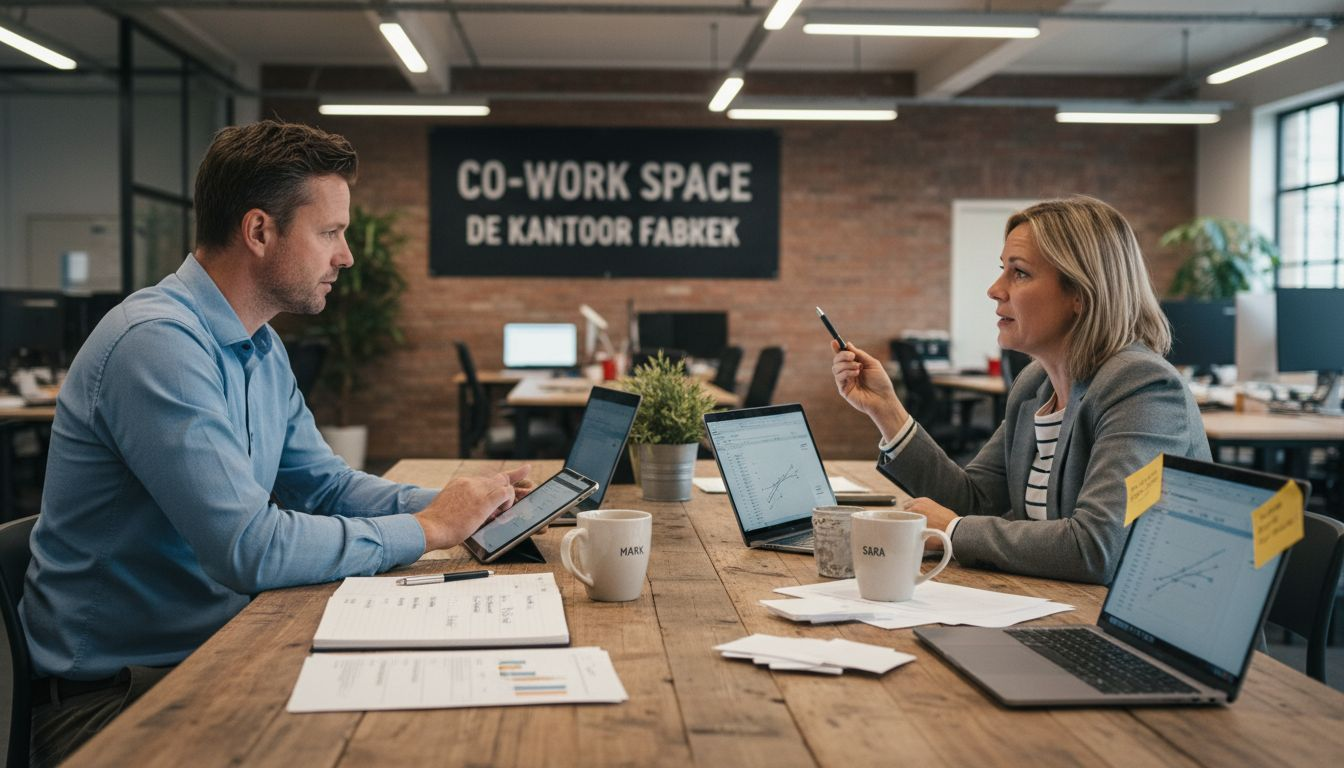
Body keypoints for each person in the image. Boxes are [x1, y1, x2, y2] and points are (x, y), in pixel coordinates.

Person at [20, 120, 533, 766]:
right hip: (115, 702)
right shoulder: (155, 345)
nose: (345, 255)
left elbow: (325, 486)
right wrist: (430, 528)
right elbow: (248, 549)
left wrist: (468, 505)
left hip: (211, 655)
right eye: (330, 233)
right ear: (260, 231)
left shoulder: (260, 346)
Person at [832, 195, 1209, 585]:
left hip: (1143, 631)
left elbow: (1098, 546)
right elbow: (972, 502)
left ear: (1080, 293)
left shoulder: (1141, 387)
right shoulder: (1035, 384)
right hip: (1062, 606)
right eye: (1002, 271)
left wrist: (956, 531)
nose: (995, 289)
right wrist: (888, 412)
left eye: (1020, 273)